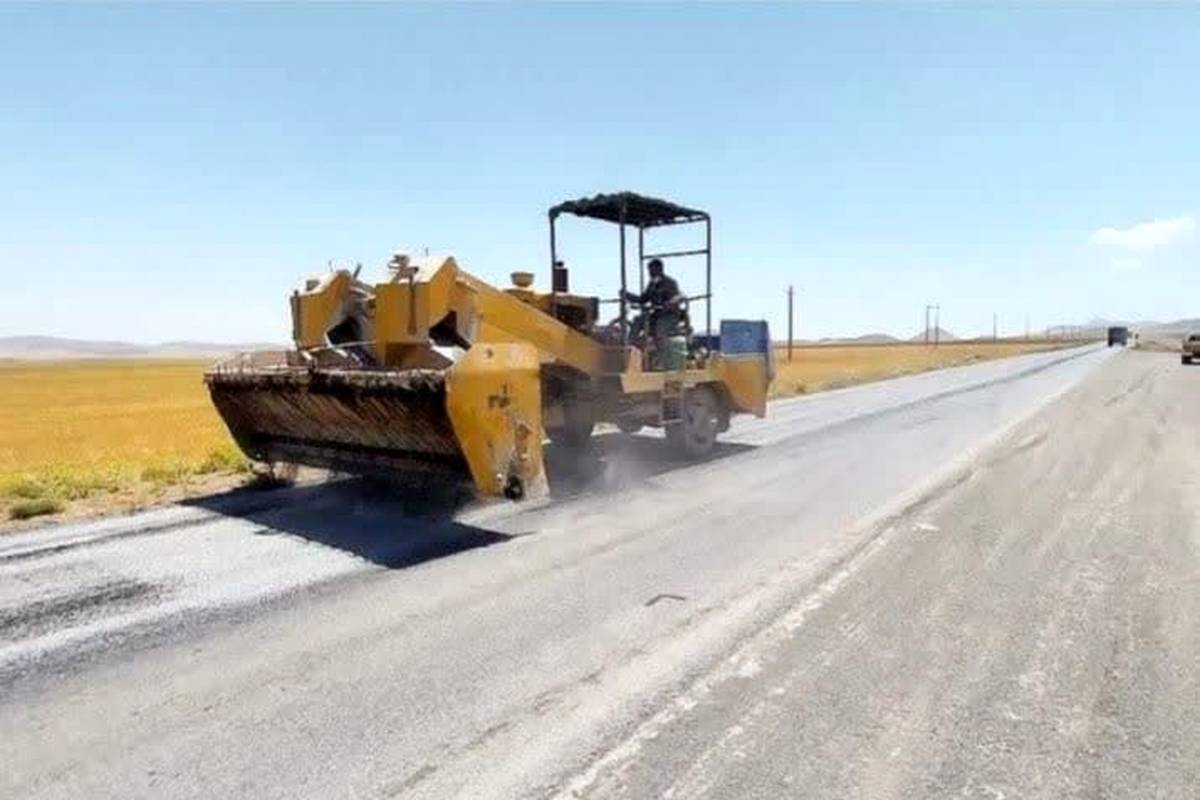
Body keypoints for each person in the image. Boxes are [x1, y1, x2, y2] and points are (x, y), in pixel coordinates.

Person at [623, 258, 685, 363]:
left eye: (652, 270)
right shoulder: (652, 284)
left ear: (659, 269)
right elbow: (643, 299)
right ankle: (629, 349)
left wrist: (669, 303)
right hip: (656, 315)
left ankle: (665, 359)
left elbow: (678, 296)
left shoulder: (670, 283)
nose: (650, 273)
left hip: (670, 316)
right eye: (649, 270)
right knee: (638, 320)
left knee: (659, 330)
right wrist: (628, 295)